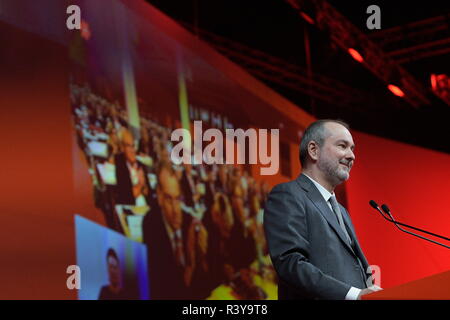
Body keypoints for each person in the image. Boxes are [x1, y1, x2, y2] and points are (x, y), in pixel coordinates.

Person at [263, 119, 382, 300]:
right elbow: (291, 263)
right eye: (343, 146)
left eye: (352, 149)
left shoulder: (341, 211)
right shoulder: (288, 194)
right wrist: (353, 295)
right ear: (313, 150)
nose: (352, 156)